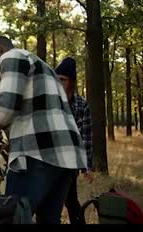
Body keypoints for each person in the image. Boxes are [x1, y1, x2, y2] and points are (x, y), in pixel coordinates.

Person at [0, 36, 87, 224]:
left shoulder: (11, 57)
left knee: (10, 216)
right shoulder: (42, 66)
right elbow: (32, 111)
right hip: (67, 156)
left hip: (39, 153)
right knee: (49, 219)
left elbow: (6, 109)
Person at [55, 57, 94, 224]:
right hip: (51, 159)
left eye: (62, 80)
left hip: (70, 161)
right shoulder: (51, 102)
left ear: (71, 82)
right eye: (57, 80)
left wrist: (87, 167)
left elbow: (86, 136)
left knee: (70, 201)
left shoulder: (81, 105)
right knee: (52, 202)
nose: (59, 83)